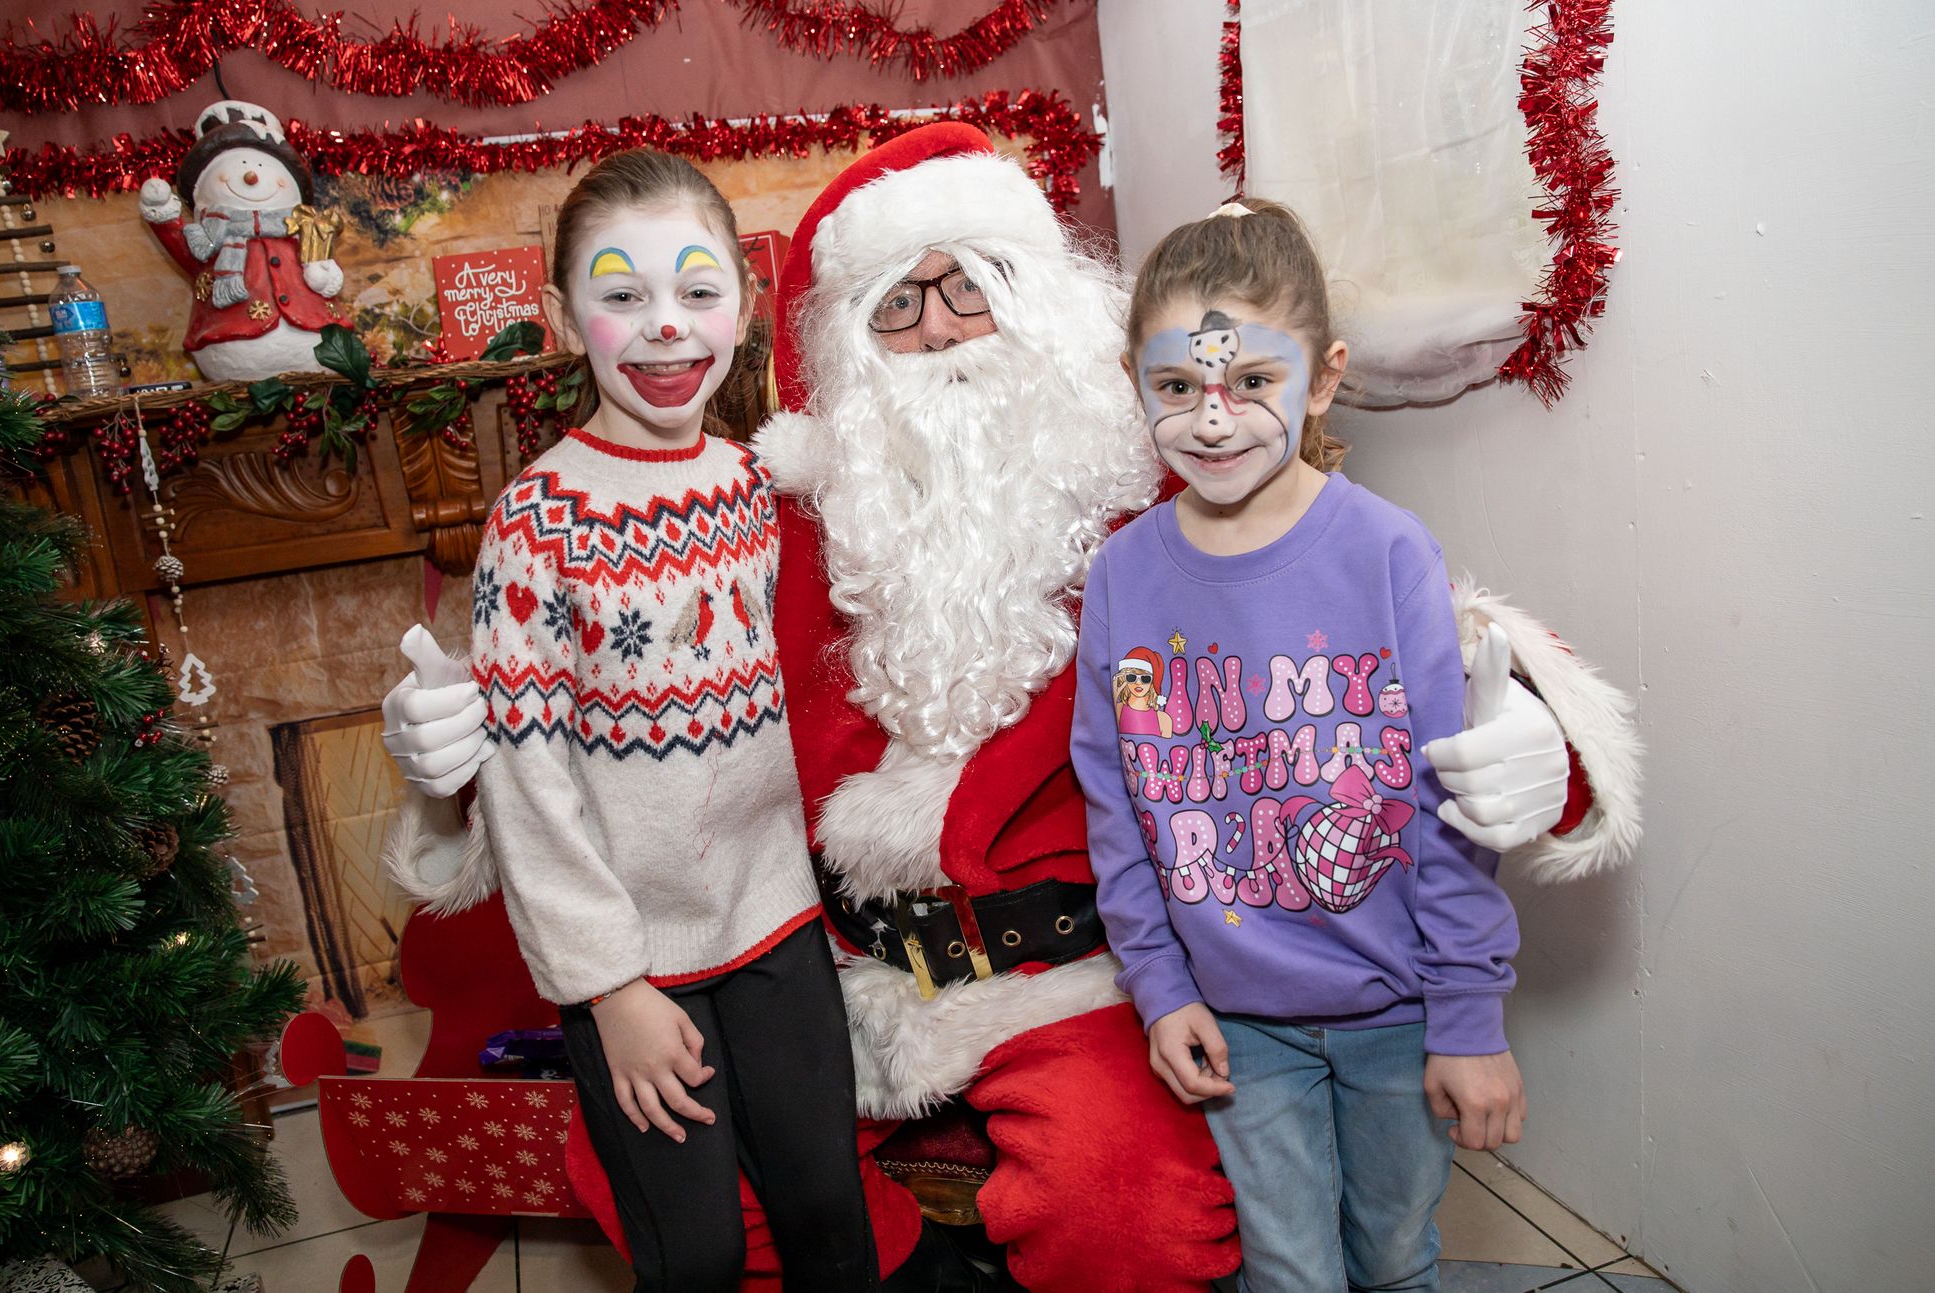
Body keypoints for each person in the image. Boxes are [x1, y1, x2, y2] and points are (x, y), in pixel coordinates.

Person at [383, 124, 1642, 1291]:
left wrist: (1542, 738)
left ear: (1041, 305)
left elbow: (1393, 643)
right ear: (839, 347)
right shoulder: (775, 521)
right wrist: (454, 780)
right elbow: (616, 721)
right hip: (827, 971)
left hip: (1079, 974)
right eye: (897, 305)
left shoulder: (1158, 488)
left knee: (1130, 1214)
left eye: (968, 285)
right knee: (649, 1172)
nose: (937, 331)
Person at [1073, 197, 1530, 1293]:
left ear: (1319, 379)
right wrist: (1158, 986)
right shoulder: (1121, 577)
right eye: (1176, 387)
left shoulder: (1385, 553)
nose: (1213, 421)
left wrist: (1466, 1015)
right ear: (1133, 382)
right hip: (1238, 1026)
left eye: (1252, 384)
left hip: (1397, 1013)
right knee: (1286, 1270)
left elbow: (1449, 802)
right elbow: (1116, 804)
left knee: (1390, 1255)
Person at [463, 149, 877, 1291]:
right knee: (692, 1254)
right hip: (634, 962)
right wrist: (611, 989)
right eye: (620, 294)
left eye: (697, 293)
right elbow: (524, 780)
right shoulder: (537, 522)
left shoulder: (762, 493)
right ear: (562, 316)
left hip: (778, 928)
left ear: (744, 302)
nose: (664, 330)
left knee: (827, 1217)